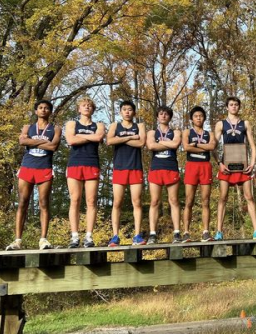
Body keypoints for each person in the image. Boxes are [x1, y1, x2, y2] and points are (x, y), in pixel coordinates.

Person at [7, 100, 61, 250]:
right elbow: (21, 141)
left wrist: (31, 142)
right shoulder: (27, 127)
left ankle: (43, 239)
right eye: (40, 108)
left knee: (43, 203)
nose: (43, 110)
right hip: (27, 167)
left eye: (46, 108)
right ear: (36, 111)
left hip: (44, 168)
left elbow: (54, 146)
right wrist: (42, 142)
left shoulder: (55, 128)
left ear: (50, 111)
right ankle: (17, 240)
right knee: (22, 202)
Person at [213, 96, 256, 240]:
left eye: (236, 104)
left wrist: (252, 164)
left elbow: (253, 146)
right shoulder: (221, 124)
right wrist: (219, 163)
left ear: (239, 107)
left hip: (243, 165)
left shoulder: (245, 123)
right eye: (231, 104)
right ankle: (219, 232)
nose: (234, 107)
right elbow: (213, 147)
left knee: (249, 196)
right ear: (227, 107)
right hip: (226, 165)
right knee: (223, 198)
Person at [64, 97, 106, 248]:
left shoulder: (99, 125)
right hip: (75, 163)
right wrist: (91, 137)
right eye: (84, 105)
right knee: (75, 200)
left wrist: (80, 136)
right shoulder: (71, 123)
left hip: (92, 163)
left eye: (89, 105)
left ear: (93, 109)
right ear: (79, 109)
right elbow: (71, 141)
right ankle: (74, 236)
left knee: (91, 201)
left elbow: (99, 136)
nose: (87, 107)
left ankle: (89, 236)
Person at [106, 100, 146, 247]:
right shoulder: (115, 126)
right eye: (124, 109)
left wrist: (120, 140)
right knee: (117, 202)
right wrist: (130, 137)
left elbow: (141, 143)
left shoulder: (139, 126)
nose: (127, 112)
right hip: (119, 167)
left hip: (135, 167)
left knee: (137, 202)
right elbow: (109, 141)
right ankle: (115, 236)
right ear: (121, 112)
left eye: (130, 109)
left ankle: (137, 235)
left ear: (134, 112)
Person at [146, 106, 182, 244]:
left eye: (166, 114)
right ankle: (153, 234)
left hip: (171, 167)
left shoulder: (176, 132)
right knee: (155, 201)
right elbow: (151, 146)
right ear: (157, 116)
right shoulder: (151, 132)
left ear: (170, 117)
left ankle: (177, 233)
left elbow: (175, 144)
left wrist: (159, 142)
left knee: (173, 201)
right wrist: (168, 143)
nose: (163, 116)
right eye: (160, 114)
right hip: (156, 168)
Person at [182, 106, 217, 242]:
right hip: (192, 166)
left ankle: (206, 232)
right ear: (192, 119)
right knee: (189, 201)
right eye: (196, 116)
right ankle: (186, 232)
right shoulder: (187, 132)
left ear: (204, 118)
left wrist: (195, 145)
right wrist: (203, 146)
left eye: (201, 116)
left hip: (205, 167)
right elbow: (186, 147)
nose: (198, 118)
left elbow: (212, 146)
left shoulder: (210, 134)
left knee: (206, 201)